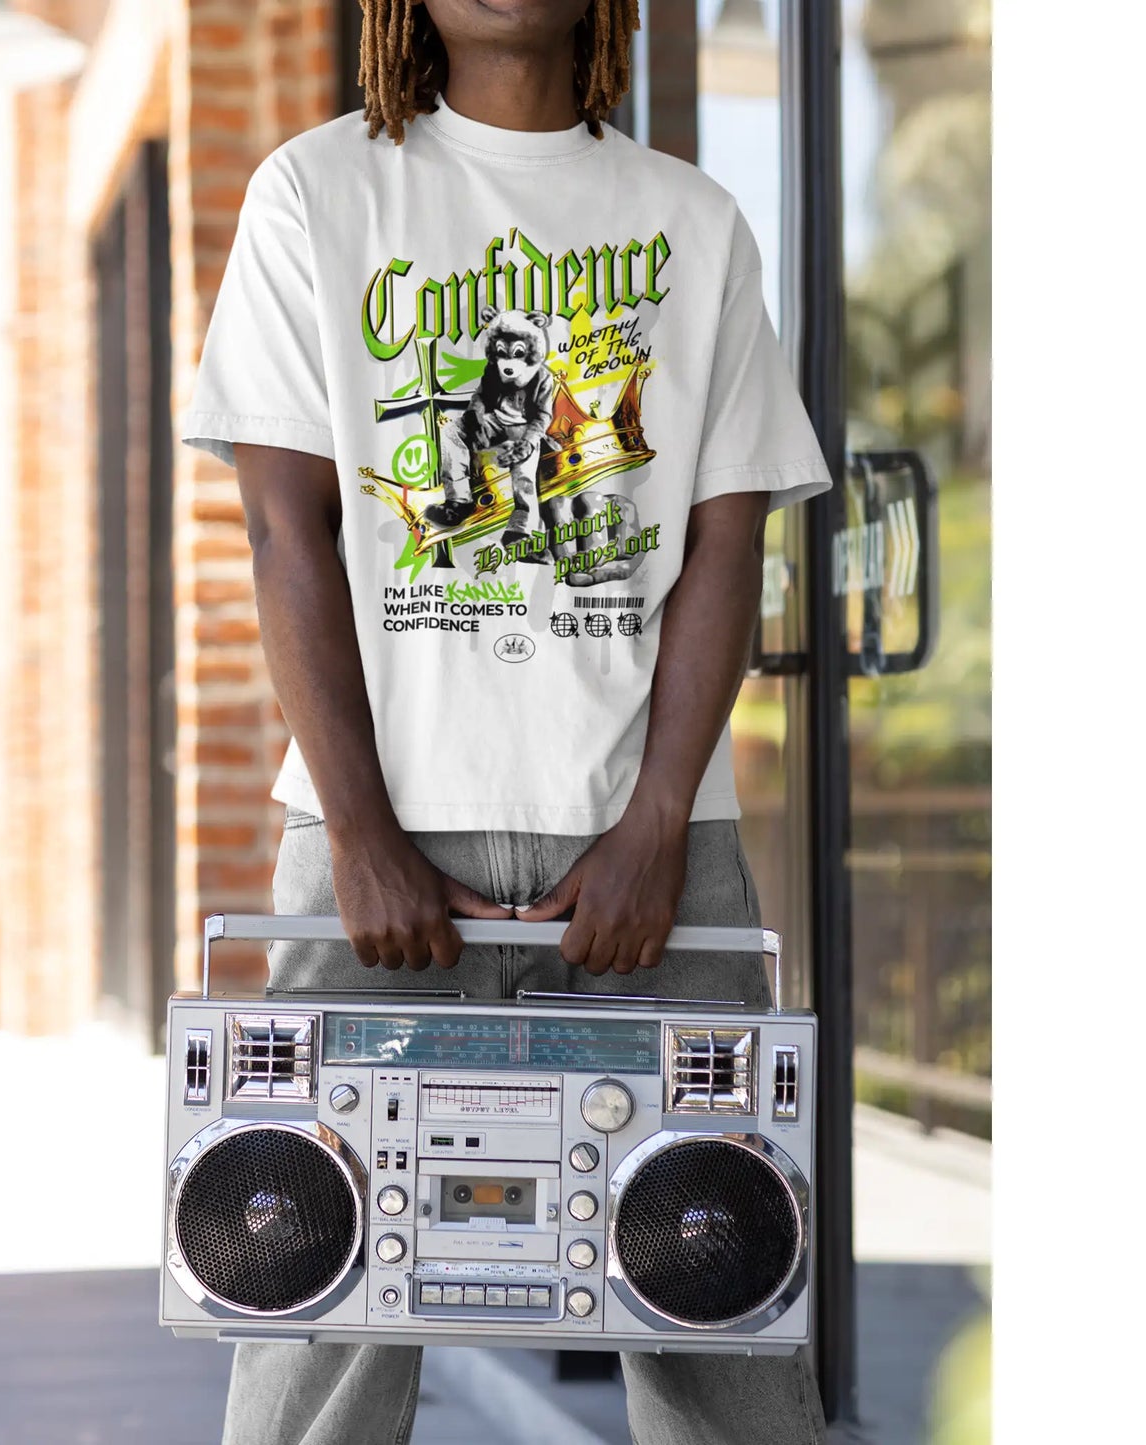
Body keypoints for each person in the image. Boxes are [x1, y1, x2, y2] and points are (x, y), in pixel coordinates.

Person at [180, 2, 834, 1441]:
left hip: (654, 844)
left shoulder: (694, 220)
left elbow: (725, 546)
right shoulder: (316, 189)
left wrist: (658, 821)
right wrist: (358, 831)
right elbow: (287, 532)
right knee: (313, 1303)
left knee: (716, 1299)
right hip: (376, 844)